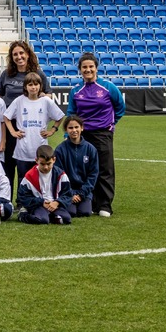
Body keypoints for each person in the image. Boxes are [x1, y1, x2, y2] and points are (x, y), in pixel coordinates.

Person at [66, 53, 124, 217]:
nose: (88, 69)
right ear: (80, 70)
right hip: (83, 135)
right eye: (84, 67)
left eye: (91, 66)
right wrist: (70, 134)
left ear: (96, 68)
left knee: (105, 169)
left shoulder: (108, 87)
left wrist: (111, 124)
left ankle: (105, 204)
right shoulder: (76, 91)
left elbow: (120, 107)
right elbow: (72, 113)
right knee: (85, 169)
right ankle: (88, 201)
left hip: (103, 134)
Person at [0, 40, 51, 192]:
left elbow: (48, 95)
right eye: (15, 54)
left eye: (21, 53)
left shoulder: (38, 74)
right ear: (11, 57)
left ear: (28, 54)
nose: (18, 57)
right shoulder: (6, 74)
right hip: (8, 126)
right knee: (8, 164)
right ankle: (6, 198)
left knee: (27, 165)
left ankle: (26, 199)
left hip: (29, 126)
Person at [4, 72, 65, 175]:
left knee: (40, 182)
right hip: (23, 151)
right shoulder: (19, 101)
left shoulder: (46, 101)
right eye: (30, 85)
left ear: (40, 86)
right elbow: (6, 117)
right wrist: (12, 131)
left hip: (41, 151)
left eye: (36, 84)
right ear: (25, 86)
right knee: (23, 181)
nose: (33, 87)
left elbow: (60, 116)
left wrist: (52, 130)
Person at [55, 114, 99, 218]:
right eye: (70, 128)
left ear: (82, 128)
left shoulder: (90, 149)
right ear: (66, 130)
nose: (74, 130)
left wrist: (82, 193)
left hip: (84, 192)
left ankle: (85, 201)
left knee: (85, 212)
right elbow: (59, 174)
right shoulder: (60, 150)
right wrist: (70, 193)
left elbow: (93, 174)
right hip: (66, 191)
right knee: (71, 213)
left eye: (76, 127)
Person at [17, 145, 73, 225]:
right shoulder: (29, 176)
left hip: (54, 204)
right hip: (38, 204)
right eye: (42, 164)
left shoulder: (61, 175)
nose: (46, 167)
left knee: (66, 219)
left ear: (54, 160)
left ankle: (50, 216)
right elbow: (23, 196)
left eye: (48, 164)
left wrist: (57, 202)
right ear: (36, 160)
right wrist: (41, 202)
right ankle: (23, 215)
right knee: (42, 220)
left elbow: (67, 194)